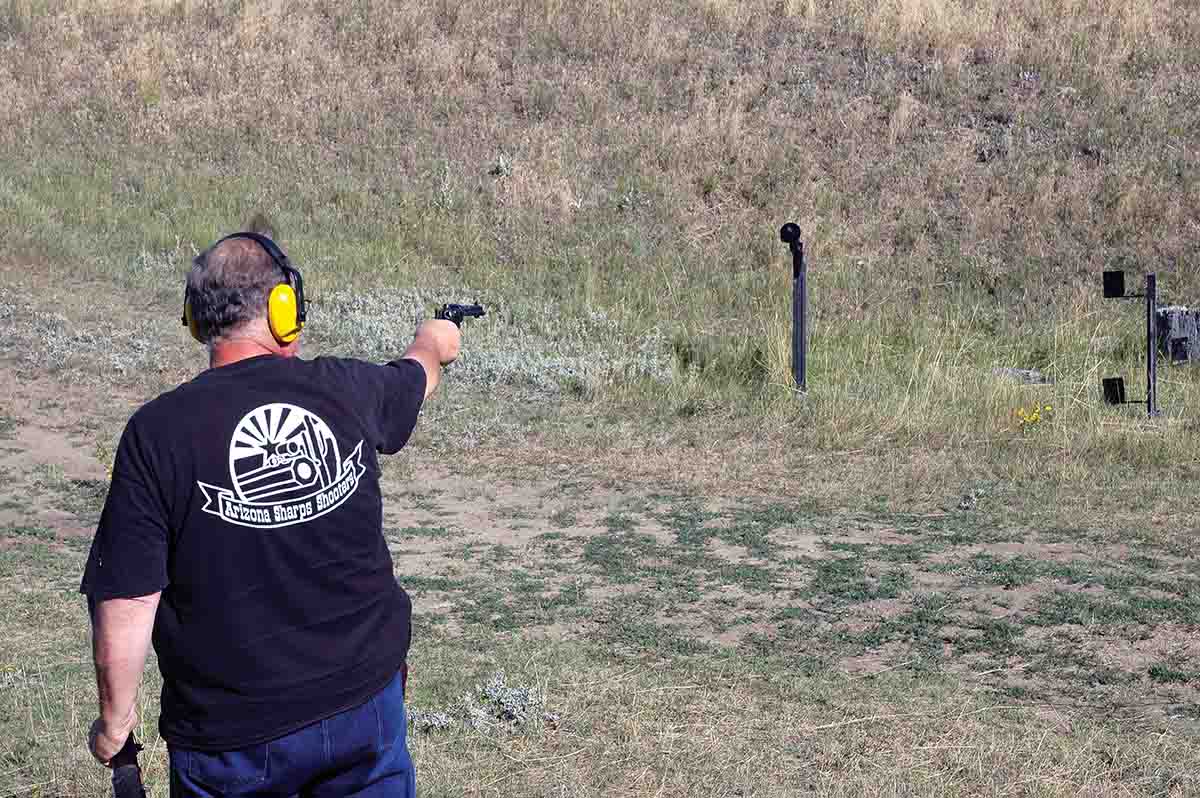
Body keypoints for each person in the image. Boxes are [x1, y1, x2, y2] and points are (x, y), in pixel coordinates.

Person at [80, 220, 461, 796]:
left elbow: (129, 599)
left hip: (230, 738)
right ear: (285, 309)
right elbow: (415, 376)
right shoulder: (346, 388)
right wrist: (436, 340)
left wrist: (116, 721)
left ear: (195, 318)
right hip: (363, 709)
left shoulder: (157, 433)